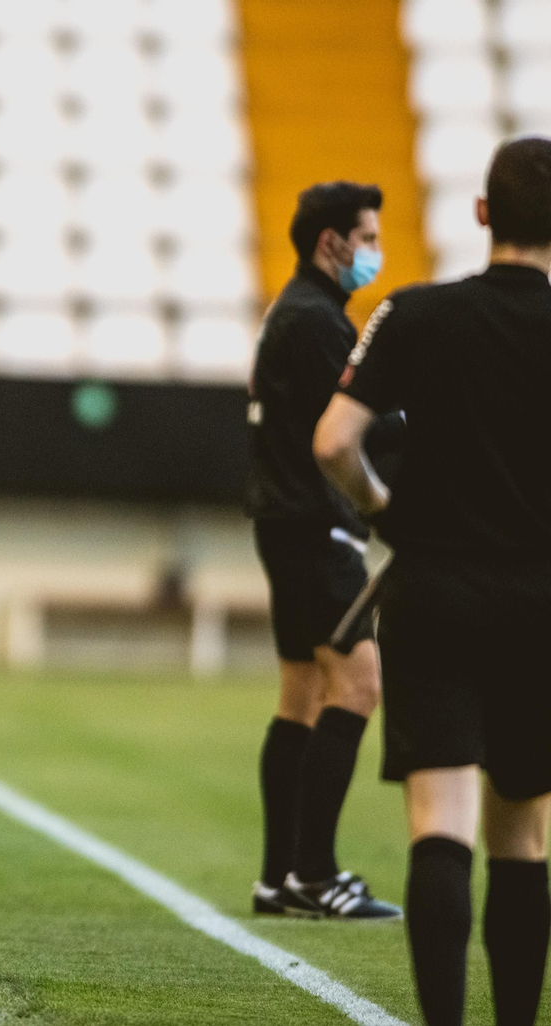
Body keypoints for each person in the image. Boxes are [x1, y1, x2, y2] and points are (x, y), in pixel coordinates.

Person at [315, 136, 551, 1026]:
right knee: (523, 834)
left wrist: (382, 511)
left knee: (440, 820)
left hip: (436, 591)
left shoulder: (412, 314)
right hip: (540, 600)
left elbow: (334, 442)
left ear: (484, 213)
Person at [244, 181, 402, 920]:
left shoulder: (297, 311)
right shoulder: (317, 323)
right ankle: (313, 872)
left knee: (302, 694)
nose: (374, 250)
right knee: (358, 685)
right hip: (317, 526)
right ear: (330, 242)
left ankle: (280, 878)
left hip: (287, 523)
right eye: (366, 237)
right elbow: (360, 426)